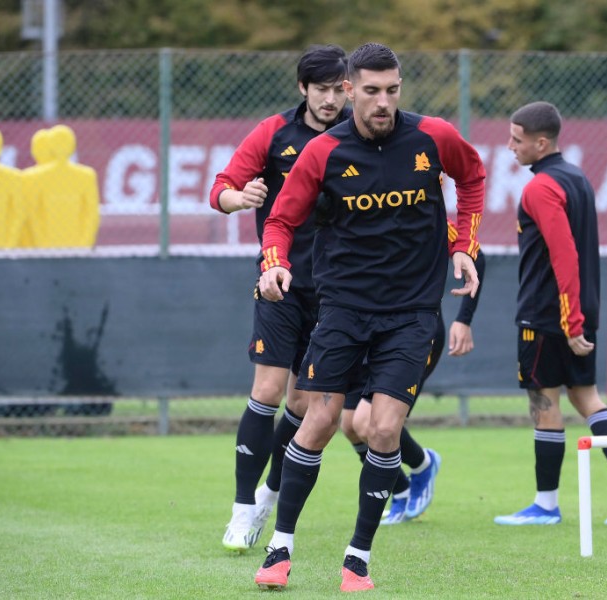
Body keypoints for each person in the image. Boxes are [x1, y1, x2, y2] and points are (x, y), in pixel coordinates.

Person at [253, 42, 484, 592]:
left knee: (382, 429)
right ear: (350, 90)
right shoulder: (323, 153)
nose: (383, 102)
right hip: (343, 310)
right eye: (372, 91)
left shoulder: (433, 137)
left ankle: (357, 559)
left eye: (393, 90)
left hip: (410, 315)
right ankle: (280, 548)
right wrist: (274, 265)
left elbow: (472, 178)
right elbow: (280, 222)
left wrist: (464, 245)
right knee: (319, 421)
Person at [208, 44, 351, 553]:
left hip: (338, 290)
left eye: (339, 89)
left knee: (303, 402)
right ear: (303, 89)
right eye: (322, 90)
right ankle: (243, 509)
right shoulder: (273, 133)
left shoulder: (362, 136)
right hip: (279, 278)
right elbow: (221, 187)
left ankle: (271, 491)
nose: (332, 99)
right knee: (267, 391)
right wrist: (237, 198)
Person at [494, 101, 607, 527]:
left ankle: (545, 506)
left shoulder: (540, 187)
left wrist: (571, 322)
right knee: (586, 397)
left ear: (541, 143)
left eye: (517, 140)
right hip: (577, 307)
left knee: (545, 401)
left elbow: (565, 255)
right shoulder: (577, 177)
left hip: (550, 316)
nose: (510, 146)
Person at [340, 225, 486, 525]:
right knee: (350, 425)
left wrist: (464, 319)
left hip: (414, 332)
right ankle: (403, 489)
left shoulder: (419, 206)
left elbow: (474, 253)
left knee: (369, 422)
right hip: (365, 329)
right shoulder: (353, 200)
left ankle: (422, 465)